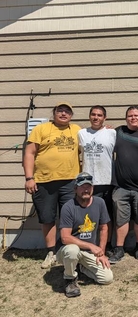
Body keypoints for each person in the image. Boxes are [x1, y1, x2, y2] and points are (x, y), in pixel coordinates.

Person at [23, 102, 81, 269]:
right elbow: (29, 153)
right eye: (60, 111)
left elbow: (93, 135)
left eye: (67, 111)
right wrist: (29, 178)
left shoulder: (77, 130)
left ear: (71, 115)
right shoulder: (41, 129)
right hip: (44, 181)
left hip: (70, 181)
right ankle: (51, 253)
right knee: (48, 218)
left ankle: (68, 250)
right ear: (54, 113)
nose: (63, 114)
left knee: (70, 216)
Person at [109, 106, 138, 264]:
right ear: (126, 118)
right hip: (120, 186)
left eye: (136, 115)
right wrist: (105, 130)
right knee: (121, 219)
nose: (133, 118)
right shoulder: (118, 132)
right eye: (130, 116)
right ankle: (119, 248)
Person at [56, 172, 113, 298]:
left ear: (93, 188)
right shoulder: (68, 207)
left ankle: (80, 267)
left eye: (89, 186)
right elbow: (65, 237)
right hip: (67, 249)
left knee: (107, 278)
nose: (86, 190)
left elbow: (104, 228)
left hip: (88, 252)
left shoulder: (100, 203)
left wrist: (101, 252)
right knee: (72, 250)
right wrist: (91, 246)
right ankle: (70, 280)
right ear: (75, 189)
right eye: (82, 187)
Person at [78, 105, 116, 251]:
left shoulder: (112, 133)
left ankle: (107, 245)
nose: (96, 117)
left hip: (107, 180)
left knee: (106, 216)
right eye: (93, 114)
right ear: (89, 116)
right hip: (87, 182)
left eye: (100, 115)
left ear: (104, 118)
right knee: (88, 214)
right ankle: (89, 244)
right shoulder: (81, 133)